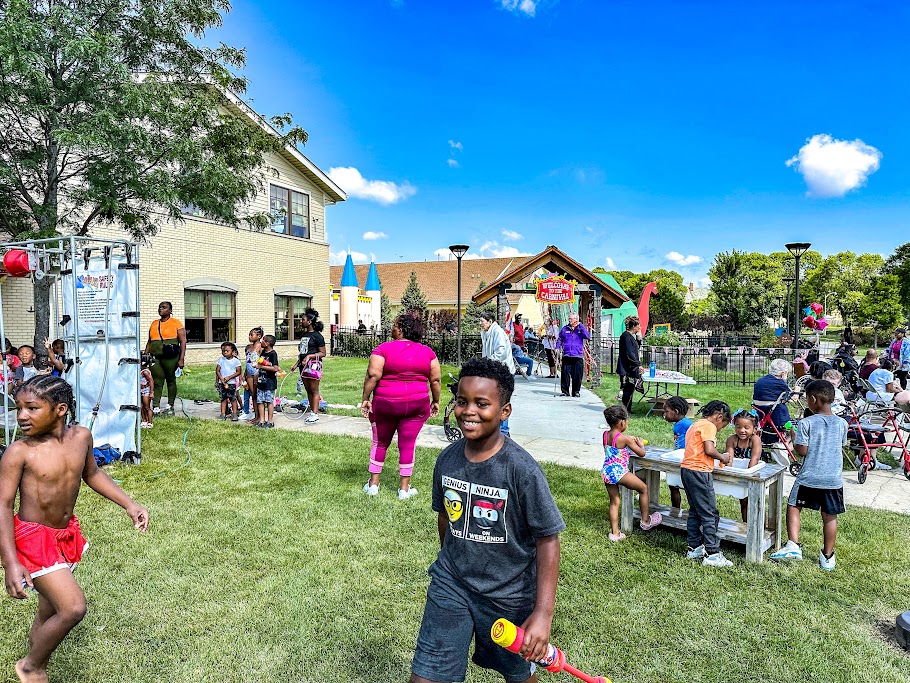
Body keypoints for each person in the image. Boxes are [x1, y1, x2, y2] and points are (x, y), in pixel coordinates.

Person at [409, 358, 565, 683]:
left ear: (504, 411)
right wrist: (452, 564)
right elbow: (445, 517)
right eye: (462, 401)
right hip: (451, 584)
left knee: (518, 674)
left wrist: (542, 613)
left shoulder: (522, 470)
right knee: (427, 676)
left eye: (482, 404)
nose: (469, 411)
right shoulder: (447, 460)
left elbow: (548, 539)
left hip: (509, 596)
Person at [0, 375, 149, 683]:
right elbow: (3, 505)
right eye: (19, 408)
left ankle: (37, 655)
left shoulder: (82, 437)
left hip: (65, 535)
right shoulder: (19, 452)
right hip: (33, 541)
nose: (22, 416)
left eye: (31, 408)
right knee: (72, 608)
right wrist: (10, 562)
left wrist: (129, 504)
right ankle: (30, 667)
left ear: (60, 409)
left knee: (49, 610)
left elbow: (92, 474)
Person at [361, 313, 441, 500]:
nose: (392, 328)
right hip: (417, 404)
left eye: (395, 325)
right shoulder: (428, 352)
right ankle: (404, 490)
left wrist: (365, 397)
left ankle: (373, 485)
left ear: (401, 329)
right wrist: (436, 401)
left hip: (386, 403)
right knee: (408, 444)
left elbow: (373, 375)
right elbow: (436, 380)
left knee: (380, 442)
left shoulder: (383, 349)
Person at [770, 380, 847, 570]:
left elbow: (802, 451)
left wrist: (793, 435)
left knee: (794, 506)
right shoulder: (842, 423)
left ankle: (793, 546)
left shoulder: (806, 422)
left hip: (809, 476)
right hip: (833, 479)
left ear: (813, 399)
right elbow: (840, 445)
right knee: (830, 516)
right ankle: (828, 557)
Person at [680, 400, 733, 567]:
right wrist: (723, 457)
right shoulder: (709, 426)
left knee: (695, 511)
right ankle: (712, 553)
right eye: (722, 426)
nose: (720, 429)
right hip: (700, 472)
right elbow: (709, 450)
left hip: (687, 470)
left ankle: (694, 547)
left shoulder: (695, 425)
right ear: (719, 417)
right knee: (710, 513)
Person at [601, 405, 662, 542]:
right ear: (621, 422)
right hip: (620, 472)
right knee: (643, 488)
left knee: (614, 501)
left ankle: (615, 533)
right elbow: (642, 453)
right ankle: (646, 521)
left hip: (607, 472)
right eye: (627, 421)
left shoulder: (605, 435)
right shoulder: (625, 438)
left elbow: (615, 451)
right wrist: (640, 444)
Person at [144, 301, 186, 416]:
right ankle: (156, 407)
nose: (161, 309)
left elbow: (183, 342)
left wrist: (181, 359)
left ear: (170, 310)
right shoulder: (154, 323)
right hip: (155, 358)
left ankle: (170, 406)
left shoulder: (176, 323)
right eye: (160, 307)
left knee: (171, 380)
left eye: (164, 307)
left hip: (171, 357)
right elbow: (149, 341)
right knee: (156, 381)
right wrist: (145, 355)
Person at [479, 312, 515, 437]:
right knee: (494, 401)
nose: (480, 323)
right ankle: (496, 429)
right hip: (494, 372)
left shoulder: (498, 332)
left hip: (504, 373)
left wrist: (488, 361)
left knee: (502, 402)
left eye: (482, 321)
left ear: (490, 321)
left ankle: (504, 432)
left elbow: (501, 352)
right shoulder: (486, 333)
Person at [725, 410, 762, 522]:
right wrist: (728, 473)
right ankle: (746, 524)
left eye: (746, 427)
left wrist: (747, 476)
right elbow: (729, 458)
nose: (742, 430)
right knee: (743, 500)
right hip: (740, 472)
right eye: (738, 427)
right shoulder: (732, 440)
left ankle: (761, 525)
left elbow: (755, 459)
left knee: (756, 502)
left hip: (754, 473)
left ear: (754, 428)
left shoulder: (755, 440)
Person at [293, 308, 327, 424]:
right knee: (308, 390)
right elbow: (302, 353)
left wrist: (310, 356)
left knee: (314, 390)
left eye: (303, 319)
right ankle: (312, 412)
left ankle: (315, 414)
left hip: (313, 366)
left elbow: (323, 353)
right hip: (302, 366)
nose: (301, 321)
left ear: (309, 321)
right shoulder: (304, 335)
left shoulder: (317, 336)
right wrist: (296, 364)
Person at [662, 395, 691, 509]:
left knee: (687, 487)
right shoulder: (679, 424)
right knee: (673, 485)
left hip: (686, 459)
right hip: (677, 458)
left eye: (667, 412)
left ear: (676, 411)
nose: (665, 414)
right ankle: (675, 510)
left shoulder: (687, 424)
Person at [752, 358, 792, 437]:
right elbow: (791, 398)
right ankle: (789, 441)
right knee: (793, 426)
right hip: (777, 417)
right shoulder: (780, 383)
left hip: (760, 413)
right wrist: (797, 389)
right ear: (783, 373)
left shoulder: (761, 380)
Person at [557, 312, 590, 398]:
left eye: (571, 319)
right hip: (567, 355)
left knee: (577, 375)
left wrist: (581, 325)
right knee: (565, 374)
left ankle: (576, 391)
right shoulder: (565, 328)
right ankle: (565, 391)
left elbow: (587, 336)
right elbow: (560, 338)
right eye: (569, 318)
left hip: (577, 355)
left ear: (576, 319)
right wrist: (557, 347)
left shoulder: (580, 329)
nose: (569, 320)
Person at [616, 316, 643, 411]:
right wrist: (638, 365)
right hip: (626, 368)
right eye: (638, 325)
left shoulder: (630, 337)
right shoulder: (626, 336)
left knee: (630, 389)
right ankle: (625, 410)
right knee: (627, 390)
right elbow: (629, 353)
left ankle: (628, 409)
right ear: (634, 326)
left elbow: (635, 349)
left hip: (631, 368)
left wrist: (639, 338)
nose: (640, 327)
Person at [255, 334, 280, 428]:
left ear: (267, 343)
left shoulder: (273, 354)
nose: (261, 342)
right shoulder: (263, 353)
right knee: (260, 401)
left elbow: (275, 368)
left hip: (269, 382)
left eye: (263, 340)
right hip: (261, 381)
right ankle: (262, 420)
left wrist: (261, 366)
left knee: (269, 401)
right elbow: (259, 363)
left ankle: (270, 421)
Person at [216, 342, 242, 422]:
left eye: (227, 351)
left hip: (231, 383)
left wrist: (229, 377)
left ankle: (234, 414)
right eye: (223, 351)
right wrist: (221, 379)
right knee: (223, 398)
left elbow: (238, 372)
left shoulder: (236, 361)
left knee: (233, 398)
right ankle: (223, 414)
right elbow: (217, 370)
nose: (225, 352)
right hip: (222, 383)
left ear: (233, 352)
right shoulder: (221, 360)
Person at [242, 326, 264, 423]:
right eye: (249, 335)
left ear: (258, 336)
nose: (249, 337)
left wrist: (257, 375)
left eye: (251, 335)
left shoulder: (260, 347)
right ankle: (256, 416)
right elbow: (248, 361)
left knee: (257, 395)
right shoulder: (249, 348)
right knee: (253, 395)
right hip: (249, 374)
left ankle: (260, 416)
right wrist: (245, 374)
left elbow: (262, 361)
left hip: (256, 373)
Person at [139, 354, 155, 429]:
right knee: (141, 406)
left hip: (146, 391)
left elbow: (151, 381)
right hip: (140, 390)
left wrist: (151, 392)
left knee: (147, 406)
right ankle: (144, 420)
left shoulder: (145, 372)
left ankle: (150, 422)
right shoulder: (139, 370)